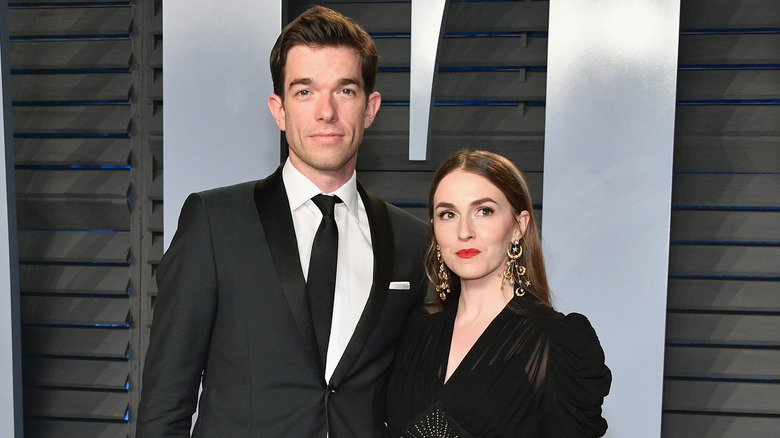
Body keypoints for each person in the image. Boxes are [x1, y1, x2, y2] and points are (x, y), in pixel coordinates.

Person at [136, 6, 428, 437]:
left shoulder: (411, 241)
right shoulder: (215, 223)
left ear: (370, 108)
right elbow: (164, 407)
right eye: (305, 92)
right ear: (279, 109)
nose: (326, 112)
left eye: (345, 91)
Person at [386, 150, 611, 437]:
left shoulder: (558, 342)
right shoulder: (413, 334)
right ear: (435, 228)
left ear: (519, 225)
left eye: (484, 211)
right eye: (448, 214)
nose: (464, 231)